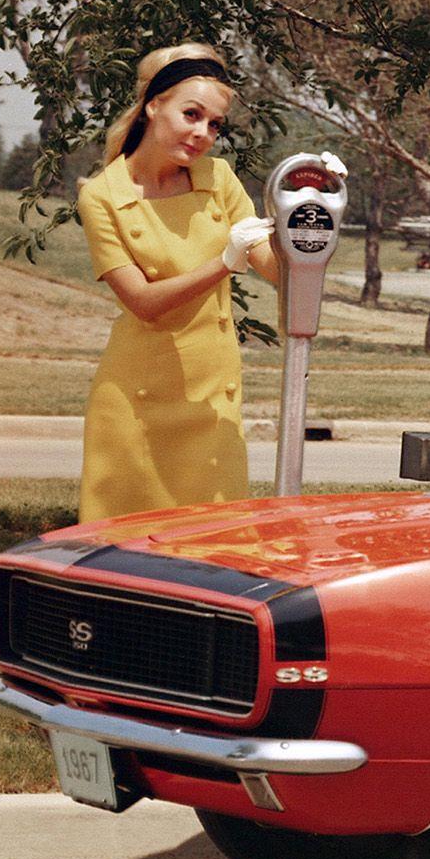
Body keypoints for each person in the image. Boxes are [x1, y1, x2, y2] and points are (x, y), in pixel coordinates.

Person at [74, 43, 290, 523]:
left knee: (217, 548)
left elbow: (273, 267)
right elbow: (144, 304)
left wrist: (307, 221)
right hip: (134, 404)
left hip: (212, 398)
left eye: (214, 125)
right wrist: (223, 262)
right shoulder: (101, 197)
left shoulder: (219, 177)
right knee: (126, 555)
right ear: (153, 105)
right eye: (191, 114)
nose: (202, 134)